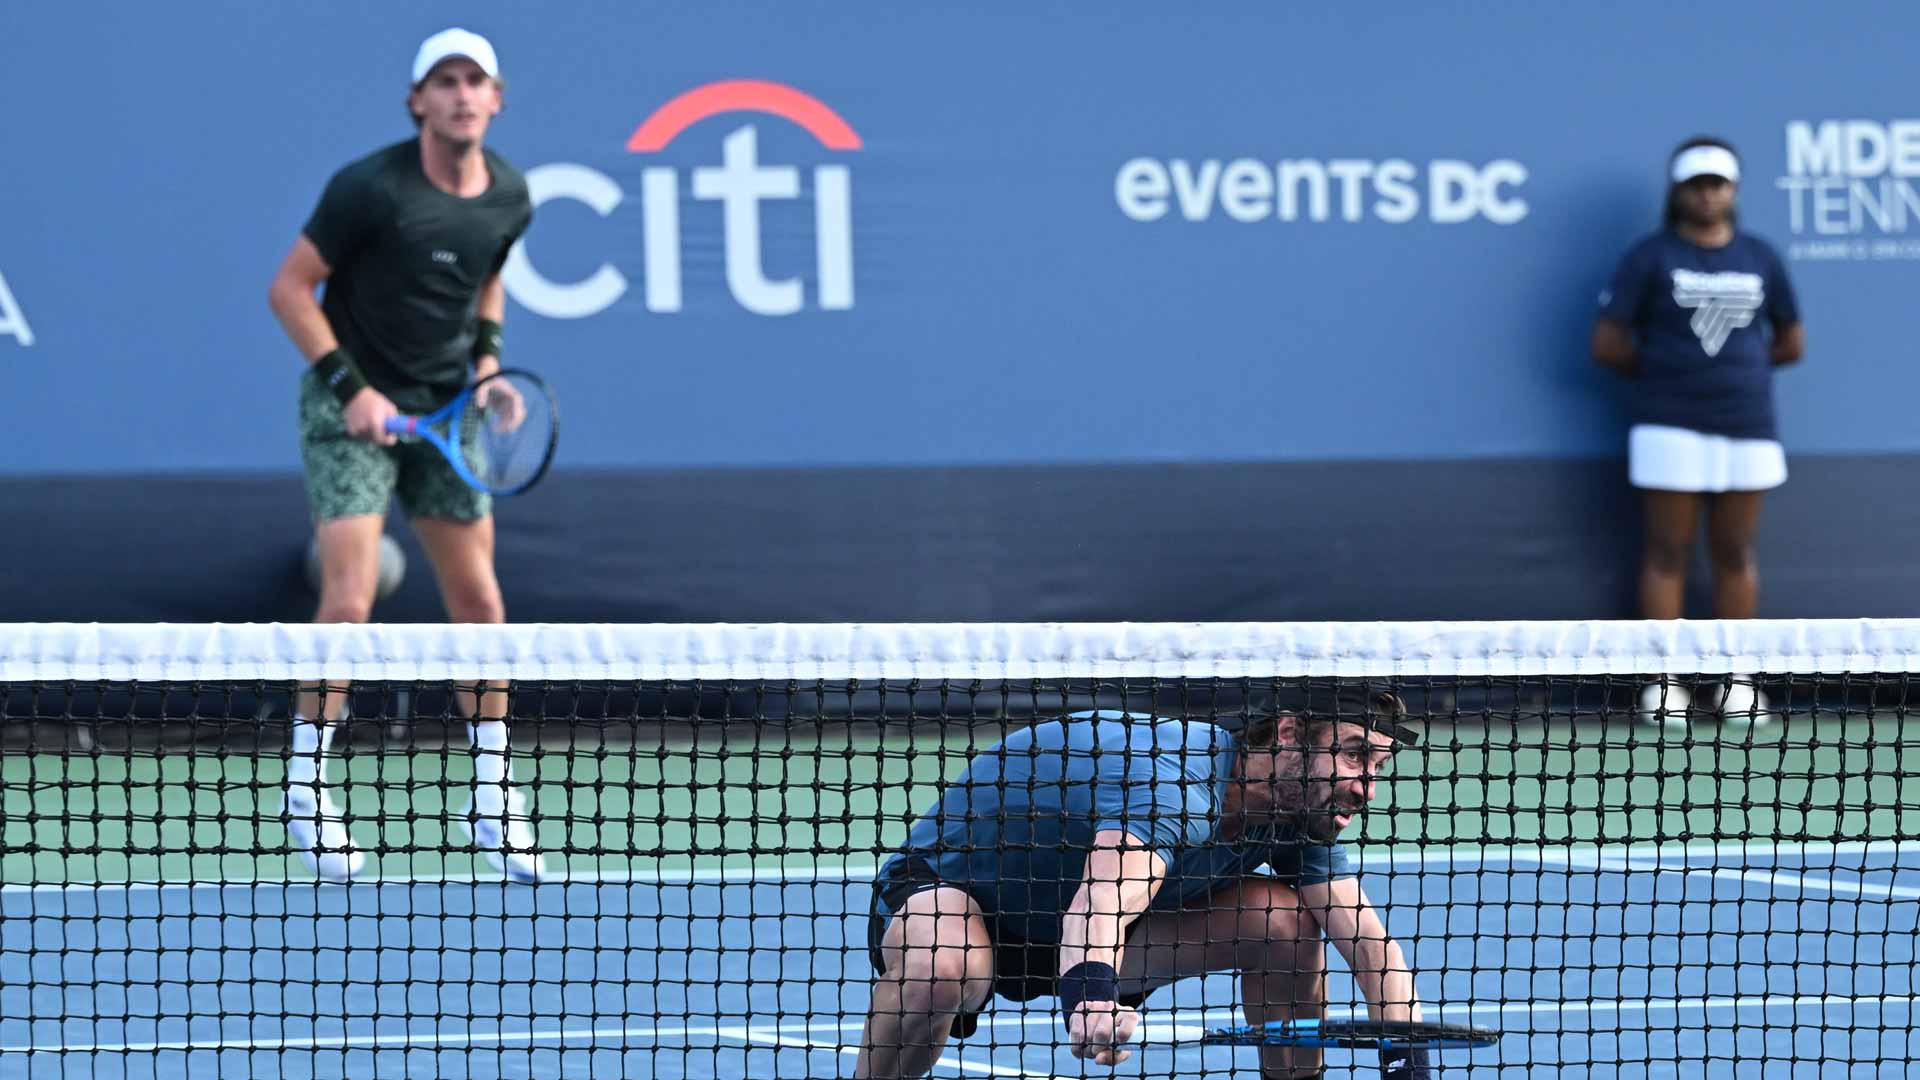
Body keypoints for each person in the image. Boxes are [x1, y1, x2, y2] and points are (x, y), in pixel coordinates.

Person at [265, 27, 544, 882]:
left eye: (476, 81)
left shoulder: (509, 195)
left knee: (482, 606)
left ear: (496, 99)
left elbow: (487, 277)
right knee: (348, 598)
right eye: (445, 81)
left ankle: (491, 795)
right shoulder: (368, 190)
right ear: (417, 101)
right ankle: (307, 787)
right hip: (347, 401)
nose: (461, 95)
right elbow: (289, 288)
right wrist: (353, 390)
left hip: (444, 408)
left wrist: (488, 366)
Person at [855, 690, 1430, 1080]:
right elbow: (1103, 897)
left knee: (1287, 920)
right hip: (960, 898)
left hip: (1078, 933)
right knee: (943, 968)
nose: (1366, 789)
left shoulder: (1297, 810)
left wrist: (1408, 1062)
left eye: (1377, 768)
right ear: (1288, 735)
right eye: (1355, 757)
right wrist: (1089, 1002)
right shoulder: (1171, 785)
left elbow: (1369, 946)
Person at [1591, 137, 1804, 731]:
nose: (1707, 193)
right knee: (1666, 552)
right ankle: (1665, 682)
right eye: (1696, 183)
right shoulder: (1650, 257)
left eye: (1718, 183)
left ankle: (1737, 680)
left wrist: (1738, 377)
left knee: (1735, 551)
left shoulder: (1761, 257)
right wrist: (1671, 378)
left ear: (1733, 190)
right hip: (1668, 425)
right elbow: (1608, 344)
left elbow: (1791, 340)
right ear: (1678, 191)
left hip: (1748, 425)